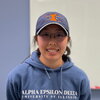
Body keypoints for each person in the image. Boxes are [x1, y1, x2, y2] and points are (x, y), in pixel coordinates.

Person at [6, 12, 91, 100]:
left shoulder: (80, 78)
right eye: (46, 34)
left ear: (68, 40)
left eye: (59, 35)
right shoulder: (18, 76)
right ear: (36, 39)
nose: (52, 42)